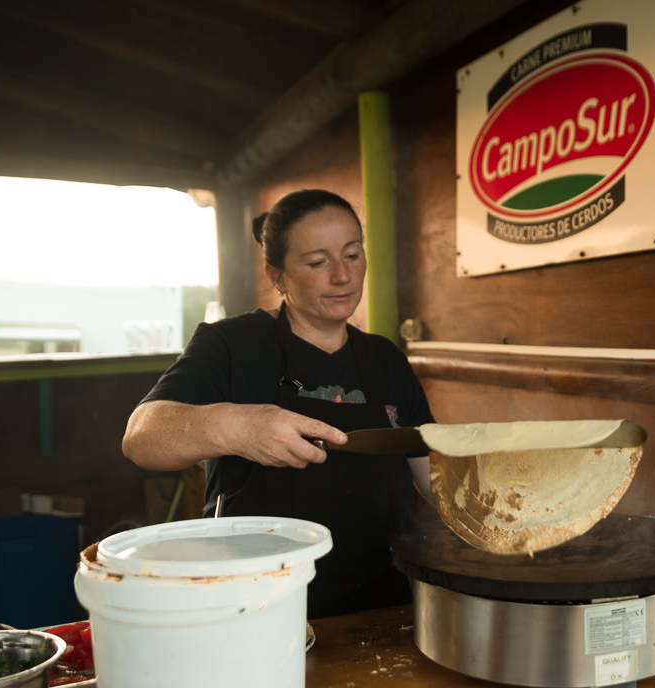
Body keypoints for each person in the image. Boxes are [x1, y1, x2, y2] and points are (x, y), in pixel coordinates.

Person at [122, 189, 434, 618]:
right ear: (276, 275)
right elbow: (142, 437)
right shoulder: (231, 344)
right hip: (257, 607)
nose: (342, 276)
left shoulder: (386, 359)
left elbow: (432, 475)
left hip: (382, 607)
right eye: (317, 262)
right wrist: (234, 427)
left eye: (353, 255)